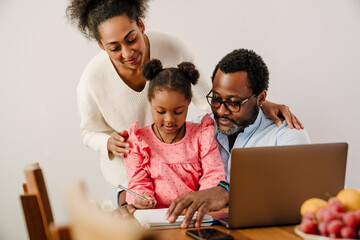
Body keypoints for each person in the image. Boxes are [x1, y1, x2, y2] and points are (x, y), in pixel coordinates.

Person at [66, 0, 302, 204]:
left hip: (176, 173)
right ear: (100, 45)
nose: (127, 53)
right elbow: (89, 131)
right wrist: (107, 142)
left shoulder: (171, 49)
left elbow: (207, 95)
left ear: (141, 24)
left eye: (131, 39)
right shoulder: (91, 80)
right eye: (114, 48)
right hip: (129, 175)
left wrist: (259, 103)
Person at [163, 49, 311, 228]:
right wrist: (125, 199)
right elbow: (155, 168)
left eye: (233, 102)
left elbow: (298, 198)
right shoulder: (197, 129)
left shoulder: (286, 136)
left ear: (261, 98)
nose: (221, 111)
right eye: (216, 99)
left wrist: (228, 192)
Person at [124, 59, 225, 209]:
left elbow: (213, 175)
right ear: (150, 101)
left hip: (194, 215)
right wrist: (142, 198)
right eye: (161, 111)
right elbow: (137, 182)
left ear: (189, 102)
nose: (169, 120)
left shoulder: (202, 135)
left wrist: (200, 202)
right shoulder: (139, 141)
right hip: (155, 218)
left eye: (178, 111)